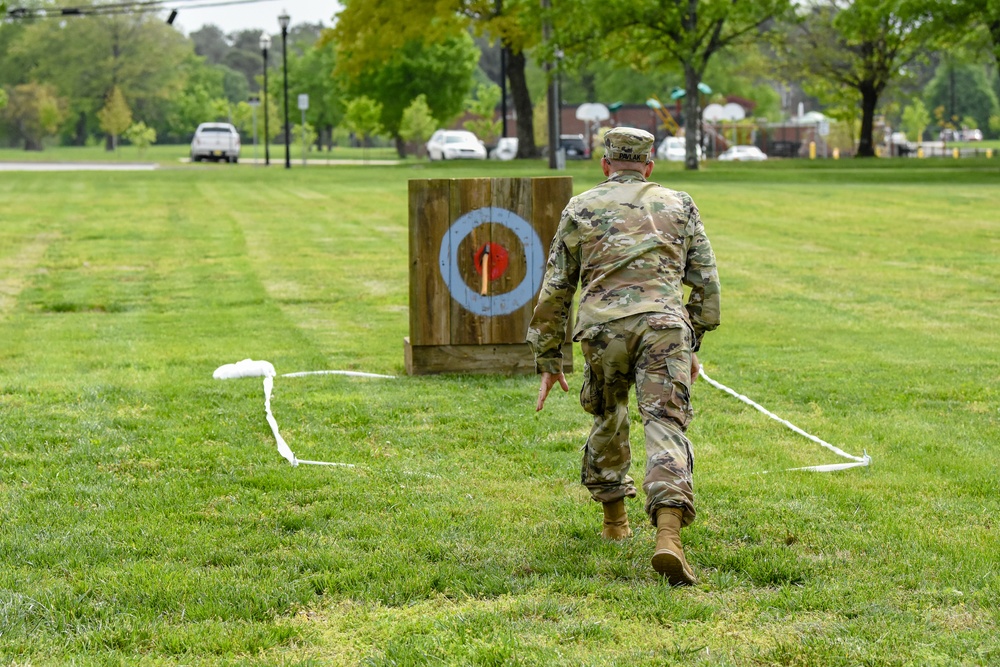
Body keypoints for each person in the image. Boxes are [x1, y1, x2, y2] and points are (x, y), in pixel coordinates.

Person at [526, 127, 721, 585]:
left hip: (602, 331)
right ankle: (668, 536)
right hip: (663, 328)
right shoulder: (680, 203)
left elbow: (556, 288)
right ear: (649, 165)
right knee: (665, 424)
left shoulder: (581, 206)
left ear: (606, 164)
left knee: (608, 415)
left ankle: (615, 524)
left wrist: (550, 358)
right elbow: (707, 286)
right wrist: (690, 340)